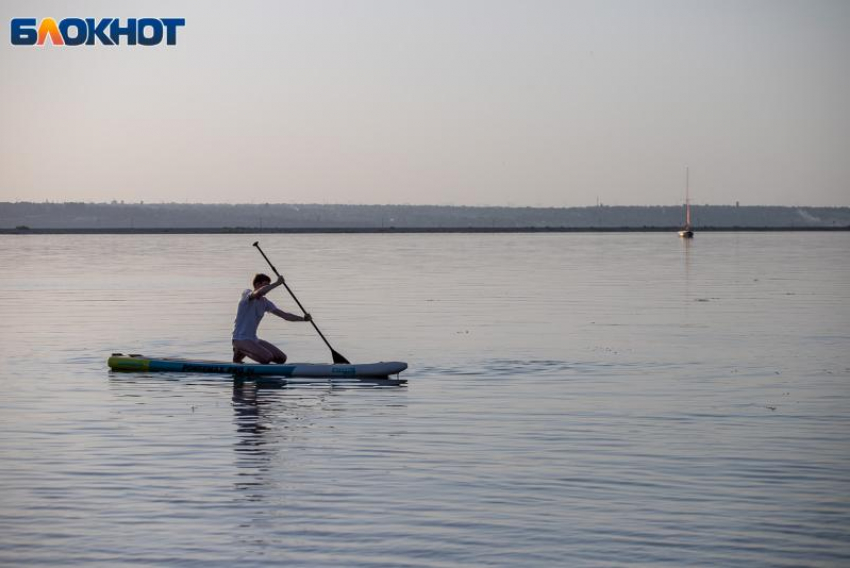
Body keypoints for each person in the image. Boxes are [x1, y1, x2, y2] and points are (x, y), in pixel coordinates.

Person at [232, 273, 312, 364]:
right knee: (267, 357)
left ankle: (239, 355)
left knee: (282, 358)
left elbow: (285, 315)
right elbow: (259, 292)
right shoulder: (247, 294)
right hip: (240, 339)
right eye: (265, 285)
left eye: (268, 285)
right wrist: (277, 283)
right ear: (257, 285)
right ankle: (239, 351)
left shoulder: (265, 302)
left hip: (253, 339)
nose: (268, 288)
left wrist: (303, 319)